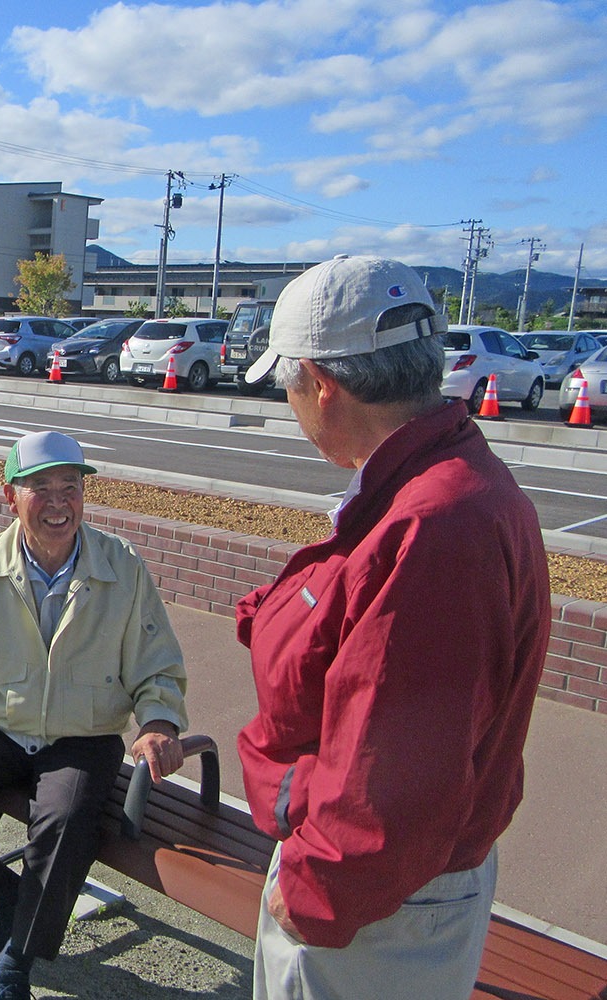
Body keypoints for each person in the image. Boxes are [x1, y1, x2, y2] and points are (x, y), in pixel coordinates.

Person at [236, 255, 551, 1000]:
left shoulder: (430, 527)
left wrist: (313, 891)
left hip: (376, 902)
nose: (291, 403)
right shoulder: (442, 483)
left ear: (321, 382)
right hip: (398, 884)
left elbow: (395, 762)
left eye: (287, 385)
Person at [0, 430, 189, 1000]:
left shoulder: (121, 567)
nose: (57, 502)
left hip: (82, 735)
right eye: (39, 488)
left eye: (70, 487)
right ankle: (6, 896)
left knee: (66, 824)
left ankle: (16, 964)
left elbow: (158, 668)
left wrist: (158, 722)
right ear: (10, 497)